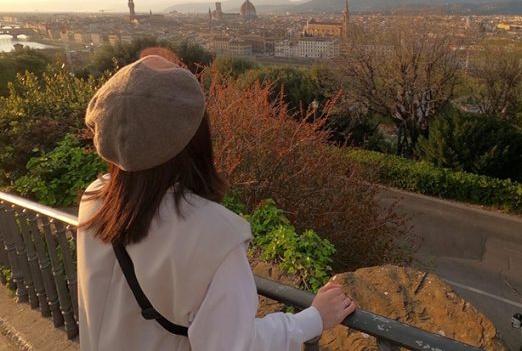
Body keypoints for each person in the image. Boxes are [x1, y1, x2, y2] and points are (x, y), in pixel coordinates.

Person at [77, 54, 356, 350]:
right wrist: (314, 318)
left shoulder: (96, 198)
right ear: (193, 136)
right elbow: (236, 345)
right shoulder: (212, 234)